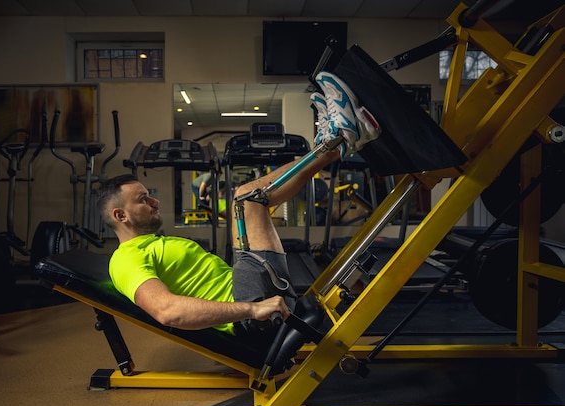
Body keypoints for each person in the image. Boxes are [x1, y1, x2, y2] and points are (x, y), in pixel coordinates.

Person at [96, 71, 381, 347]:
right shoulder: (125, 261)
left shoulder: (152, 243)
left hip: (247, 291)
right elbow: (168, 311)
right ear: (120, 216)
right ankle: (337, 140)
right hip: (252, 318)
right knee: (246, 197)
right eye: (143, 199)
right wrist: (250, 310)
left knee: (245, 200)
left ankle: (336, 142)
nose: (155, 202)